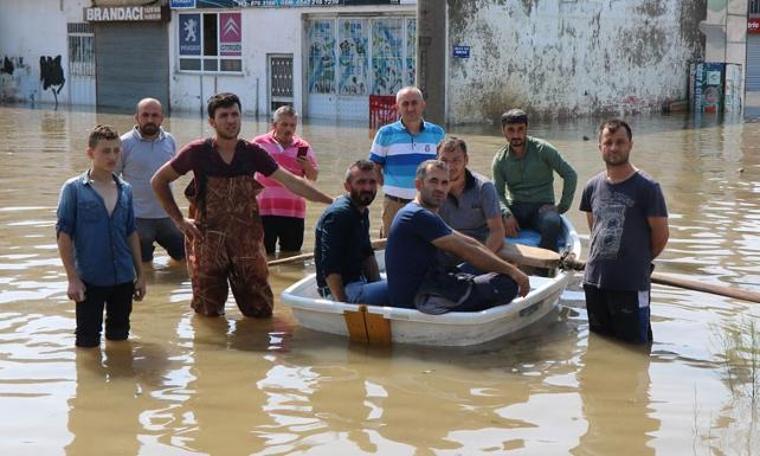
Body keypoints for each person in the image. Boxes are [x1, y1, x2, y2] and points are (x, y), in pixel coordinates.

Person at [151, 92, 333, 318]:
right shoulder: (197, 152)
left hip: (247, 244)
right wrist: (179, 220)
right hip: (207, 243)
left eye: (234, 114)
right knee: (208, 313)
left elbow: (292, 182)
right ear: (212, 121)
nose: (230, 120)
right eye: (224, 115)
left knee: (260, 310)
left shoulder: (253, 153)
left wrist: (332, 202)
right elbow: (159, 180)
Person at [385, 160, 530, 314]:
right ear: (418, 185)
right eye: (434, 181)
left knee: (489, 273)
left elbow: (469, 242)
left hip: (429, 286)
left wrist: (506, 267)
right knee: (506, 284)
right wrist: (513, 272)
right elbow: (466, 250)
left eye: (444, 183)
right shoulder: (418, 215)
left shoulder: (423, 212)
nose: (440, 188)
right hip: (420, 298)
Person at [56, 125, 146, 347]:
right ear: (90, 153)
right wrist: (72, 278)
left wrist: (141, 274)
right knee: (87, 344)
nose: (112, 156)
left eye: (117, 150)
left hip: (123, 278)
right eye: (106, 151)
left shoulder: (126, 189)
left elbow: (131, 232)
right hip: (89, 279)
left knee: (120, 339)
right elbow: (63, 234)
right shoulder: (74, 189)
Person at [580, 119, 669, 344]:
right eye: (608, 142)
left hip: (630, 285)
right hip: (595, 282)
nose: (614, 148)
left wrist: (637, 262)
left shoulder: (647, 188)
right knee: (600, 348)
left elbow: (660, 236)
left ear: (630, 145)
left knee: (635, 351)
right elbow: (594, 229)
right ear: (599, 147)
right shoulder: (592, 186)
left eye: (620, 142)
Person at [491, 109, 577, 251]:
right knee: (487, 221)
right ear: (503, 131)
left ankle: (544, 267)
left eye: (520, 129)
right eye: (511, 130)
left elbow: (570, 175)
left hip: (542, 208)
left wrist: (561, 207)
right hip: (516, 208)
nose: (516, 135)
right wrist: (506, 214)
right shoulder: (500, 160)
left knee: (551, 223)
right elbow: (497, 193)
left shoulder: (543, 149)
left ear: (526, 129)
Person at [369, 86, 445, 236]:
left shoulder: (437, 133)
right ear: (397, 107)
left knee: (428, 245)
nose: (410, 108)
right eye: (405, 104)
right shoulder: (385, 133)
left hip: (428, 204)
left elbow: (443, 169)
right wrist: (392, 186)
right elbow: (374, 168)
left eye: (414, 103)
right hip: (394, 204)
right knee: (390, 247)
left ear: (423, 105)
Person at [117, 97, 185, 264]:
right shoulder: (124, 143)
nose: (149, 119)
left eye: (154, 115)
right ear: (136, 117)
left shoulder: (170, 141)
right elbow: (113, 180)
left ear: (162, 118)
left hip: (168, 217)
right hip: (138, 219)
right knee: (144, 266)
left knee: (184, 260)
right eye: (145, 115)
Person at [314, 160, 388, 306]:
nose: (367, 187)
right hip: (341, 291)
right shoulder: (339, 215)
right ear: (347, 186)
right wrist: (343, 306)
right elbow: (330, 267)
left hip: (358, 282)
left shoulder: (361, 210)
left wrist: (377, 284)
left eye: (372, 182)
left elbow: (367, 254)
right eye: (361, 182)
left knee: (405, 280)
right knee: (404, 286)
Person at [253, 105, 318, 255]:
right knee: (263, 256)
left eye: (292, 125)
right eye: (284, 124)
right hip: (264, 211)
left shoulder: (303, 147)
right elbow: (245, 172)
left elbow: (313, 177)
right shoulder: (259, 144)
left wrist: (308, 166)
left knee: (292, 256)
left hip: (293, 213)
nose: (289, 129)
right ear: (274, 125)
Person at [437, 136, 504, 255]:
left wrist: (481, 261)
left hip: (477, 250)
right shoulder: (433, 189)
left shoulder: (484, 187)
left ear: (466, 160)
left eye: (456, 160)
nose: (450, 167)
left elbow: (497, 231)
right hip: (444, 249)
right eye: (444, 161)